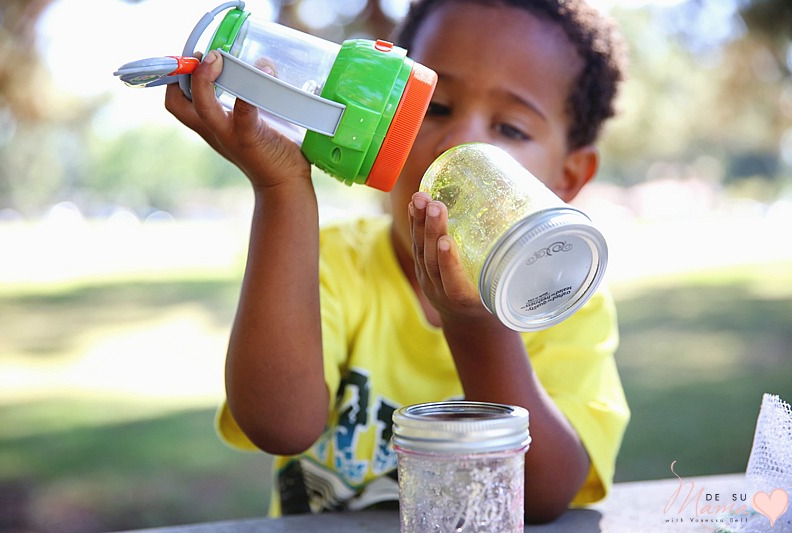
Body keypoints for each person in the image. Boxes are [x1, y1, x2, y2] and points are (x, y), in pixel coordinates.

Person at [165, 0, 630, 523]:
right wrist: (282, 189)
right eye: (435, 108)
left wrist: (475, 325)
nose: (460, 141)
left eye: (511, 129)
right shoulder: (334, 261)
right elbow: (277, 426)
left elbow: (542, 495)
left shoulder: (561, 298)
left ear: (568, 177)